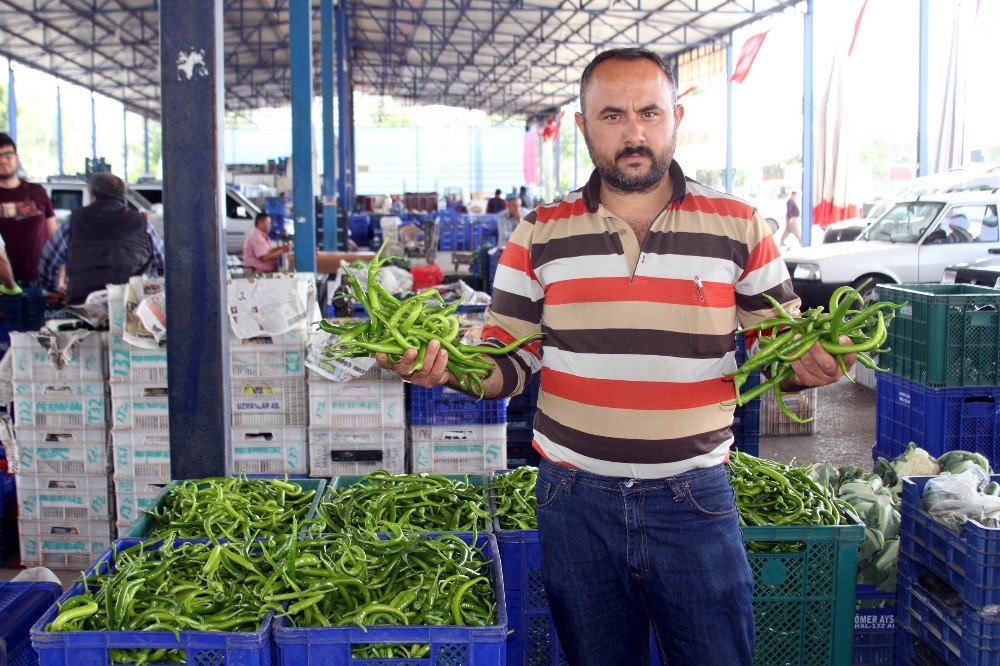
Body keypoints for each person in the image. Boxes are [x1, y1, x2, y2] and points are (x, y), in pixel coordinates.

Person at [377, 47, 855, 665]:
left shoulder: (740, 226)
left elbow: (779, 351)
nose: (634, 133)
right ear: (582, 125)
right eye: (611, 116)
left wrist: (808, 368)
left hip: (695, 500)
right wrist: (449, 371)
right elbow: (507, 362)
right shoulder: (540, 233)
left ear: (676, 117)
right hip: (575, 502)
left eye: (650, 113)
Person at [37, 173, 164, 305]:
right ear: (123, 197)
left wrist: (53, 288)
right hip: (131, 307)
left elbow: (48, 260)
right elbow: (164, 263)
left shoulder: (73, 221)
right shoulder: (142, 223)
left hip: (83, 304)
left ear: (92, 196)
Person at [0, 132, 56, 285]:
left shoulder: (37, 191)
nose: (3, 160)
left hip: (41, 279)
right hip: (4, 283)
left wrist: (61, 274)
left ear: (17, 159)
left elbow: (54, 236)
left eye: (8, 155)